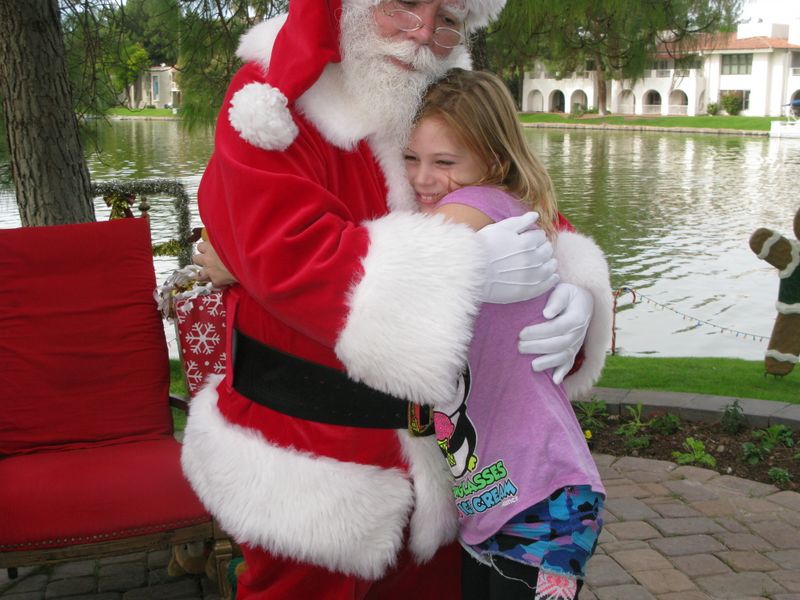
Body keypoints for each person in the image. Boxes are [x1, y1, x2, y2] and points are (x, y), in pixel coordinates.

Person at [181, 1, 611, 598]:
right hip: (311, 458)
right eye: (404, 4)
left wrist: (574, 283)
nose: (423, 32)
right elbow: (289, 253)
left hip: (447, 460)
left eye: (448, 17)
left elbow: (513, 189)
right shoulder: (271, 99)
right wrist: (466, 270)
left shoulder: (437, 95)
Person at [403, 68, 607, 599]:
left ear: (492, 163)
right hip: (497, 496)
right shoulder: (486, 210)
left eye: (444, 162)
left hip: (544, 500)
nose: (422, 178)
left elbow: (401, 262)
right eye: (411, 158)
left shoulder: (481, 209)